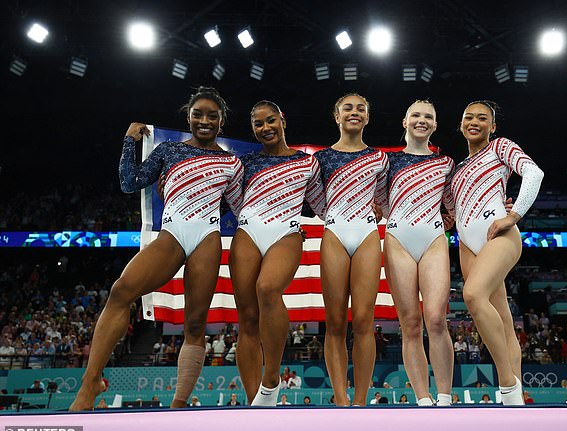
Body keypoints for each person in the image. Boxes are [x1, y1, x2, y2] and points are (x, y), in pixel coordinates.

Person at [69, 87, 243, 411]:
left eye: (212, 115)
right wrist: (128, 142)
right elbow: (129, 182)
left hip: (207, 236)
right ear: (188, 117)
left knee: (194, 324)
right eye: (198, 114)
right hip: (172, 233)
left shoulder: (232, 162)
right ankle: (91, 381)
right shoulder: (169, 151)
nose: (204, 120)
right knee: (121, 291)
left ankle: (179, 403)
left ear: (222, 121)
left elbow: (235, 206)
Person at [448, 100, 544, 406]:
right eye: (468, 117)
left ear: (493, 126)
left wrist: (513, 216)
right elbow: (452, 211)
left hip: (499, 236)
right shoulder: (457, 167)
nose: (474, 122)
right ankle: (514, 402)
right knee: (503, 320)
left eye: (482, 118)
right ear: (461, 124)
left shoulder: (499, 147)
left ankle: (506, 381)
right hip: (466, 244)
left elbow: (534, 174)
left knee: (473, 295)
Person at [230, 101, 325, 406]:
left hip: (286, 231)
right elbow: (231, 199)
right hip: (248, 230)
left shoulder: (307, 164)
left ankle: (271, 379)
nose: (265, 128)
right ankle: (253, 403)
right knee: (246, 318)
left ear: (283, 120)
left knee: (267, 288)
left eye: (271, 120)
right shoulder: (243, 164)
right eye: (258, 124)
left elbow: (322, 206)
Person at [313, 93, 389, 406]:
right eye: (347, 108)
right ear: (337, 116)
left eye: (361, 109)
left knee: (363, 321)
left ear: (367, 118)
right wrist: (335, 213)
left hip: (367, 236)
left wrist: (377, 210)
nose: (354, 112)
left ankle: (360, 400)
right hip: (335, 234)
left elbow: (385, 198)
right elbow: (315, 198)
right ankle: (341, 399)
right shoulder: (321, 158)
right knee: (334, 323)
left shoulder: (380, 158)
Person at [383, 100, 455, 406]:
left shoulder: (446, 163)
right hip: (398, 239)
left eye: (428, 117)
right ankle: (423, 399)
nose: (421, 120)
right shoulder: (386, 162)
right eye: (416, 115)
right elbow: (376, 201)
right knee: (410, 323)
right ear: (405, 121)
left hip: (433, 239)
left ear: (435, 125)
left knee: (437, 318)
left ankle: (445, 396)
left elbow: (456, 203)